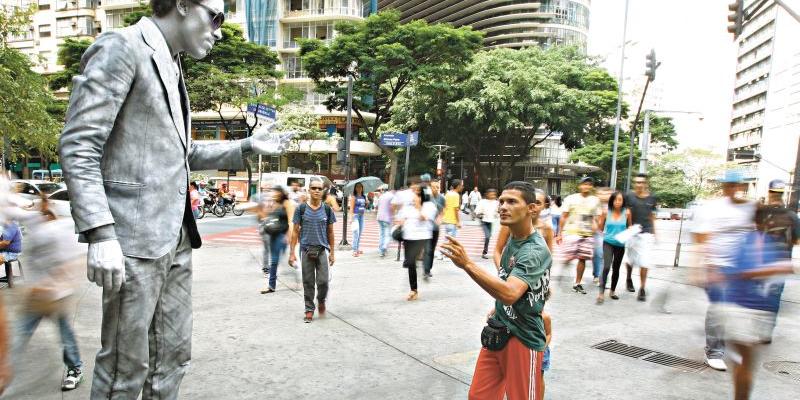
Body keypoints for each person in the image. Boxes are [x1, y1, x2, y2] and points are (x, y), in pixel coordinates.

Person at [57, 1, 294, 396]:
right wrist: (101, 233)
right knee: (124, 369)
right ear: (182, 4)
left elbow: (181, 155)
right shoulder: (122, 47)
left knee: (174, 357)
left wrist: (249, 145)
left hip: (177, 239)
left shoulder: (172, 63)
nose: (219, 29)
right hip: (133, 243)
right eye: (215, 16)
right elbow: (80, 146)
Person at [441, 181, 551, 400]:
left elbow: (510, 293)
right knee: (479, 396)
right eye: (501, 201)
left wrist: (468, 265)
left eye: (512, 202)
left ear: (531, 208)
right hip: (499, 331)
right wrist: (498, 305)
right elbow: (507, 276)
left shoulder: (535, 249)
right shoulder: (512, 236)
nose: (503, 206)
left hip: (523, 337)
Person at [10, 200, 86, 391]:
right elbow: (15, 211)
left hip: (58, 294)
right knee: (20, 333)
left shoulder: (62, 229)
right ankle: (4, 373)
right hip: (36, 294)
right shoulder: (37, 225)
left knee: (64, 334)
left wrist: (59, 284)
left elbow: (75, 261)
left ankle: (75, 369)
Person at [691, 169, 756, 372]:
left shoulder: (748, 208)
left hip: (740, 267)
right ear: (723, 186)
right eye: (729, 185)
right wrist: (701, 265)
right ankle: (714, 351)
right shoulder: (711, 208)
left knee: (736, 309)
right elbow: (699, 237)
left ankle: (726, 344)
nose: (732, 189)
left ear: (741, 187)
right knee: (719, 307)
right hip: (717, 265)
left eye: (736, 185)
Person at [289, 178, 336, 323]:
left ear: (322, 191)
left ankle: (321, 300)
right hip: (306, 250)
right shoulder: (301, 209)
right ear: (309, 190)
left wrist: (332, 253)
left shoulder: (327, 209)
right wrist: (292, 253)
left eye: (319, 188)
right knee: (308, 282)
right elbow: (295, 232)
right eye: (313, 188)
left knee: (323, 282)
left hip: (322, 250)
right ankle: (309, 309)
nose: (316, 191)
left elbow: (330, 233)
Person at [556, 176, 601, 295]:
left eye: (589, 184)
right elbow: (564, 216)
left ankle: (577, 283)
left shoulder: (595, 200)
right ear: (580, 186)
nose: (586, 186)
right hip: (571, 232)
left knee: (582, 258)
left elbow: (596, 218)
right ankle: (562, 270)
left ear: (591, 187)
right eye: (584, 184)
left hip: (587, 234)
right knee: (569, 256)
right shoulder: (571, 198)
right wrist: (559, 233)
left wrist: (596, 227)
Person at [396, 181, 438, 300]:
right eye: (415, 192)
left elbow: (424, 218)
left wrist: (418, 206)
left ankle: (422, 261)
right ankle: (413, 290)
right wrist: (400, 222)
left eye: (419, 193)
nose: (415, 195)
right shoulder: (408, 205)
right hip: (408, 236)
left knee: (412, 259)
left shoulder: (430, 206)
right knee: (410, 263)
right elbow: (402, 217)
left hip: (422, 236)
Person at [493, 188, 553, 268]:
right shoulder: (510, 225)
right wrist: (502, 272)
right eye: (531, 203)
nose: (534, 207)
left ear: (544, 206)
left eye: (538, 203)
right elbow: (497, 251)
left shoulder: (547, 228)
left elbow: (548, 256)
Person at [624, 174, 658, 301]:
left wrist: (655, 232)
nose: (639, 185)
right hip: (632, 233)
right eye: (637, 182)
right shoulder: (629, 196)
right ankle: (628, 278)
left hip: (647, 233)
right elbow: (626, 213)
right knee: (630, 260)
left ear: (646, 184)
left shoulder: (652, 198)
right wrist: (628, 227)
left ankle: (642, 288)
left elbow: (652, 215)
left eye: (642, 182)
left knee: (645, 261)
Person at [596, 191, 631, 304]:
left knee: (616, 268)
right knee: (606, 266)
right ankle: (601, 293)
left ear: (623, 201)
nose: (617, 202)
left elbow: (629, 228)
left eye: (620, 200)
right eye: (615, 199)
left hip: (620, 244)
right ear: (612, 201)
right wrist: (598, 222)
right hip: (608, 242)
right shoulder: (606, 212)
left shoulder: (627, 213)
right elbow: (600, 228)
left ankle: (612, 291)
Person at [259, 186, 291, 294]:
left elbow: (291, 220)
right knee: (275, 261)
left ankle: (296, 272)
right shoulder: (273, 203)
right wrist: (268, 205)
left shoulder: (286, 203)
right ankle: (271, 286)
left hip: (282, 235)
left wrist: (288, 236)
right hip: (273, 235)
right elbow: (268, 217)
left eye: (276, 192)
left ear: (281, 193)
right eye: (273, 192)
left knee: (276, 260)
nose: (274, 194)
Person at [423, 180, 446, 275]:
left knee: (432, 249)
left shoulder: (442, 198)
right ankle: (426, 269)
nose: (436, 189)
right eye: (434, 187)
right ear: (430, 187)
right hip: (426, 228)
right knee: (427, 249)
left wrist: (440, 219)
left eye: (437, 187)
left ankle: (428, 268)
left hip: (435, 228)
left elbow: (442, 211)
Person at [592, 187, 612, 285]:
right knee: (598, 254)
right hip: (598, 233)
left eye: (607, 193)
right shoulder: (595, 204)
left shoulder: (614, 205)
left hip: (610, 233)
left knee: (606, 255)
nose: (605, 195)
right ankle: (597, 274)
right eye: (602, 193)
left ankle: (602, 276)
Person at [475, 189, 500, 259]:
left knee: (488, 237)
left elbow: (497, 213)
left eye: (494, 194)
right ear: (487, 194)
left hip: (491, 221)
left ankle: (485, 251)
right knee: (487, 236)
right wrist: (480, 214)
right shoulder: (482, 202)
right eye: (491, 194)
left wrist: (498, 213)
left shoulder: (496, 203)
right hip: (484, 221)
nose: (493, 196)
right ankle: (484, 252)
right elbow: (477, 211)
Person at [376, 188, 396, 258]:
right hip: (387, 218)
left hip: (379, 217)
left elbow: (377, 206)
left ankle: (381, 248)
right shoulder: (392, 196)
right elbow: (393, 207)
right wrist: (393, 216)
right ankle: (384, 247)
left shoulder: (382, 196)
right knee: (387, 235)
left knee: (381, 234)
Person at [349, 182, 367, 257]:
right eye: (357, 187)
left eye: (360, 187)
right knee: (356, 233)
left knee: (359, 233)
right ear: (355, 188)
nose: (359, 188)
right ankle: (354, 250)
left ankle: (357, 248)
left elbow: (363, 206)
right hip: (355, 216)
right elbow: (351, 208)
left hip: (362, 216)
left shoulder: (363, 196)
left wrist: (366, 203)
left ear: (362, 188)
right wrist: (350, 218)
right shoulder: (354, 197)